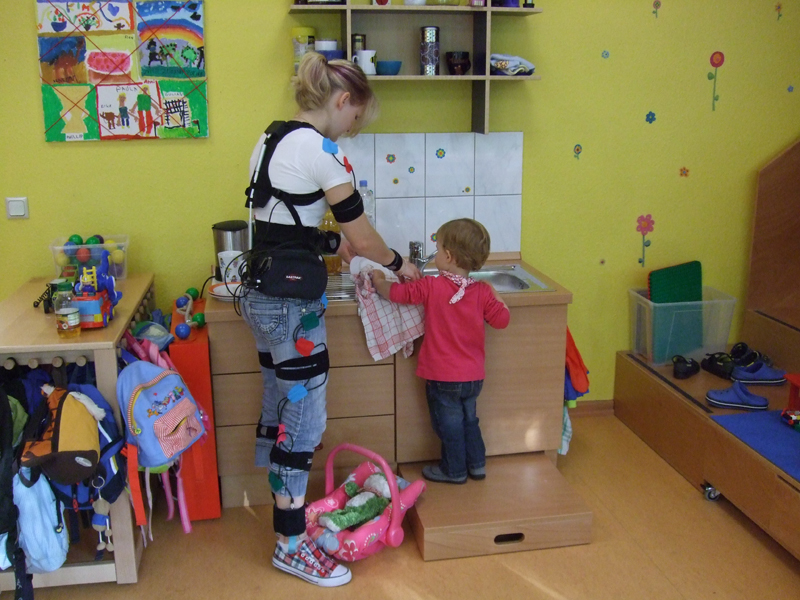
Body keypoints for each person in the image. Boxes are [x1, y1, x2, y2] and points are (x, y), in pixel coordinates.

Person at [239, 51, 420, 587]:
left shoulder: (271, 138)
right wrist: (397, 264)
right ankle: (290, 545)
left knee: (281, 409)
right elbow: (366, 238)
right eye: (355, 120)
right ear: (343, 102)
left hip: (261, 295)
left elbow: (279, 225)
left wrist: (326, 242)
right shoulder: (324, 152)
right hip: (291, 309)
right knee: (304, 424)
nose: (352, 131)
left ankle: (285, 524)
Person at [372, 219, 510, 484]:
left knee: (448, 426)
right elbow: (501, 321)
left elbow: (399, 294)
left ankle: (454, 470)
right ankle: (477, 464)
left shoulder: (432, 286)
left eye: (437, 248)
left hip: (442, 377)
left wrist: (379, 282)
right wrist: (496, 296)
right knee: (470, 420)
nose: (435, 254)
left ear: (448, 256)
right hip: (473, 378)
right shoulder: (481, 291)